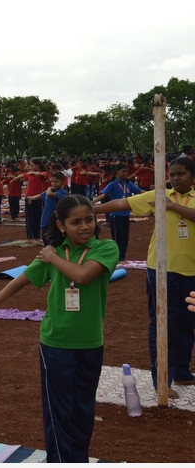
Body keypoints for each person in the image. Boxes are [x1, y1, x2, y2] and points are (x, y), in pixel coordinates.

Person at [0, 195, 118, 463]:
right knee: (59, 411)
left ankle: (78, 461)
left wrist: (52, 257)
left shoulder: (105, 248)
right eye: (75, 222)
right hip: (56, 343)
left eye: (89, 220)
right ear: (61, 225)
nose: (84, 227)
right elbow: (25, 278)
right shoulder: (53, 252)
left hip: (90, 343)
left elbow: (82, 275)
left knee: (83, 408)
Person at [93, 156, 195, 394]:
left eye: (181, 174)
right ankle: (162, 379)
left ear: (192, 177)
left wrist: (172, 207)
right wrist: (90, 208)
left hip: (191, 271)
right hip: (160, 270)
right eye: (172, 174)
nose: (175, 178)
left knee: (187, 323)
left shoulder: (172, 201)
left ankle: (181, 371)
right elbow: (122, 204)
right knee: (162, 322)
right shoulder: (159, 195)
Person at [91, 164, 142, 261]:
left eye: (126, 171)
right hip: (115, 215)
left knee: (125, 236)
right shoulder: (112, 184)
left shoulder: (128, 184)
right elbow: (103, 195)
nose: (126, 173)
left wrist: (153, 193)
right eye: (123, 171)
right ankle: (117, 255)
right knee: (117, 236)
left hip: (125, 214)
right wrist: (91, 202)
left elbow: (139, 192)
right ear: (117, 172)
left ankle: (122, 255)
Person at [29, 171, 68, 245]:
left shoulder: (63, 192)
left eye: (57, 181)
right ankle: (47, 250)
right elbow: (40, 195)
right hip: (45, 219)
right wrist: (32, 198)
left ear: (62, 182)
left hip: (55, 220)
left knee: (54, 239)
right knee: (45, 237)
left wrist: (49, 188)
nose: (53, 183)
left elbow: (49, 194)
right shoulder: (48, 191)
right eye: (52, 181)